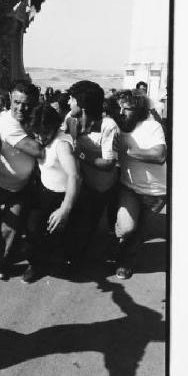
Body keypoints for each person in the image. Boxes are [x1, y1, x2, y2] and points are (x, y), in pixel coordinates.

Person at [0, 80, 43, 279]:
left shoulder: (31, 121)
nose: (21, 108)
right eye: (17, 102)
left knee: (9, 228)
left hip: (19, 187)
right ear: (10, 101)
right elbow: (37, 150)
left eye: (26, 104)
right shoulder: (7, 122)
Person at [22, 104, 80, 283]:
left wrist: (65, 208)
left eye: (44, 132)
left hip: (64, 196)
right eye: (36, 133)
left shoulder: (61, 144)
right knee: (33, 230)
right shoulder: (41, 138)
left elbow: (74, 176)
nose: (40, 138)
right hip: (44, 191)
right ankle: (35, 264)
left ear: (54, 127)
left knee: (61, 234)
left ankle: (64, 261)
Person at [114, 89, 167, 279]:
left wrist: (128, 152)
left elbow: (159, 155)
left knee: (139, 233)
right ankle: (122, 242)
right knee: (127, 228)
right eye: (119, 108)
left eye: (126, 109)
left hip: (156, 191)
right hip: (129, 187)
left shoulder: (152, 127)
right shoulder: (118, 126)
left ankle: (126, 262)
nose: (121, 113)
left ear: (138, 109)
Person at [67, 80, 120, 264]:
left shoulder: (108, 125)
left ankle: (78, 260)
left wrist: (80, 155)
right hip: (81, 183)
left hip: (101, 188)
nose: (68, 103)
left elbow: (108, 163)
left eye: (71, 100)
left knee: (88, 226)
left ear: (81, 104)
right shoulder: (70, 119)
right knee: (77, 224)